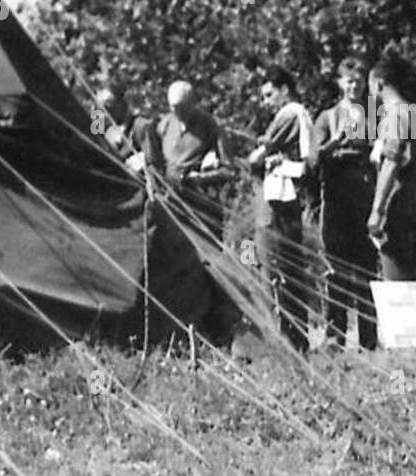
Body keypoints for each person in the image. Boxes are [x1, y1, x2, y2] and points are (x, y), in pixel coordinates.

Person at [246, 67, 315, 353]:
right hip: (284, 201)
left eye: (270, 94)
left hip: (280, 203)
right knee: (282, 268)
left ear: (285, 90)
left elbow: (258, 155)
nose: (266, 101)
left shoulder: (290, 113)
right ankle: (292, 337)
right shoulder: (298, 114)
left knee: (276, 268)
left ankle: (288, 339)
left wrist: (260, 156)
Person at [311, 57, 378, 350]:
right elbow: (312, 159)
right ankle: (335, 337)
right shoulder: (327, 117)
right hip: (336, 200)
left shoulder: (374, 114)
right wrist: (335, 142)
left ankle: (369, 339)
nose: (354, 86)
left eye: (359, 80)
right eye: (349, 80)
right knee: (335, 269)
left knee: (366, 270)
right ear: (340, 83)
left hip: (365, 199)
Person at [367, 51, 416, 283]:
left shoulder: (395, 116)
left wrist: (377, 210)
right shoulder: (415, 113)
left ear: (379, 84)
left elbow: (391, 163)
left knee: (396, 283)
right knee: (411, 279)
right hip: (415, 200)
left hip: (396, 205)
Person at [158, 80, 233, 240]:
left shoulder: (211, 126)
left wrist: (200, 179)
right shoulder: (164, 124)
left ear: (193, 103)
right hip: (170, 205)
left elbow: (229, 171)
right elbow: (156, 161)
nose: (178, 113)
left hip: (201, 208)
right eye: (174, 108)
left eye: (183, 108)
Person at [96, 87, 164, 178]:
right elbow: (94, 139)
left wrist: (131, 165)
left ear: (122, 103)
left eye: (110, 109)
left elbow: (154, 166)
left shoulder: (142, 126)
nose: (107, 115)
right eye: (103, 111)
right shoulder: (109, 132)